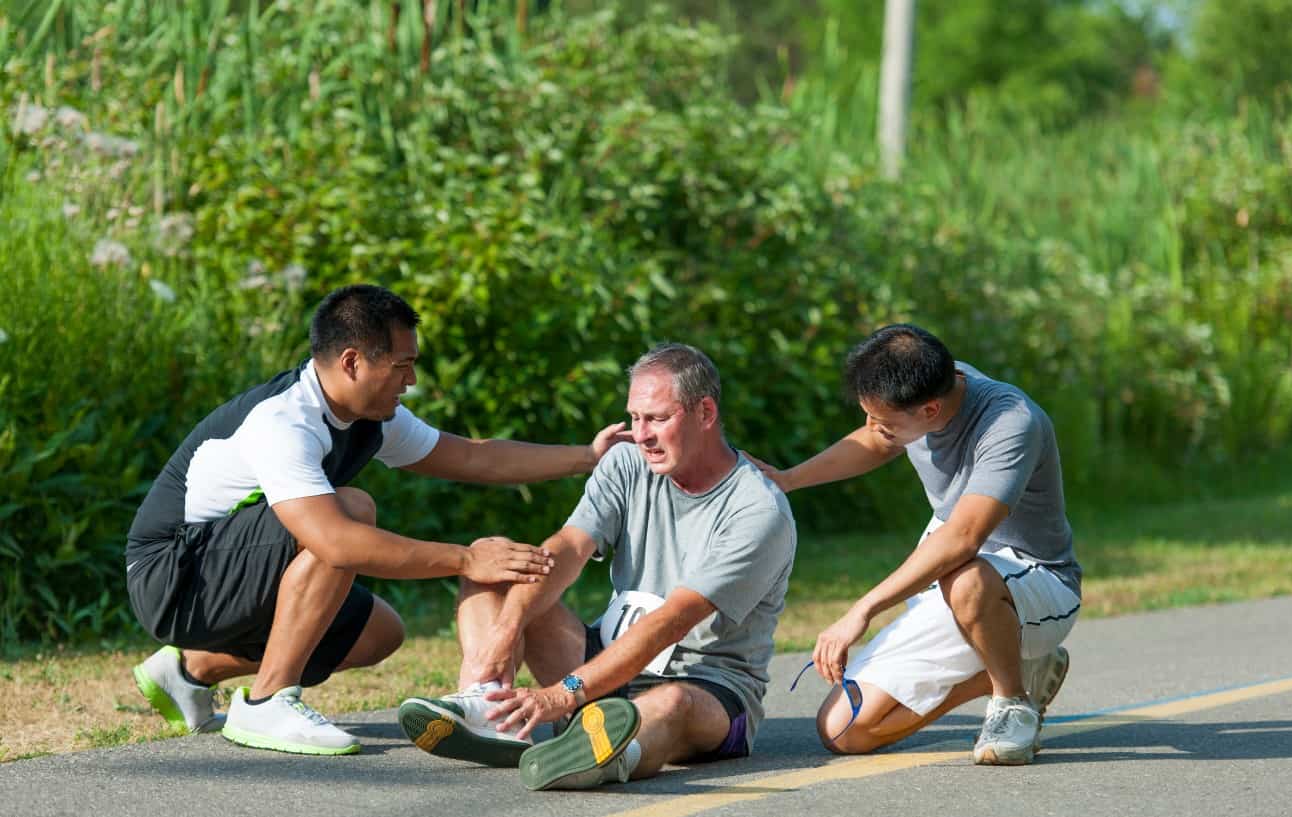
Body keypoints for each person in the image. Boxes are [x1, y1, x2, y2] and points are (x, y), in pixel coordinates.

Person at [126, 284, 631, 756]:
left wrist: (587, 455)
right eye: (402, 365)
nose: (410, 381)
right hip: (173, 576)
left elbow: (477, 458)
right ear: (352, 362)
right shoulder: (284, 421)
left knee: (378, 633)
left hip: (219, 573)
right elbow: (338, 543)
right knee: (350, 512)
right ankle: (266, 703)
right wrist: (467, 559)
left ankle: (190, 670)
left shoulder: (370, 418)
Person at [397, 343, 796, 790]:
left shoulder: (758, 510)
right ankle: (491, 709)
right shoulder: (628, 461)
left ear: (705, 413)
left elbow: (670, 622)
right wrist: (509, 627)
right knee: (495, 566)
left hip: (708, 689)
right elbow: (568, 548)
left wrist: (562, 693)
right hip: (605, 662)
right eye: (635, 417)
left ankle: (609, 755)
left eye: (658, 419)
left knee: (672, 703)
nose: (641, 434)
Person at [753, 324, 1080, 765]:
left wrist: (861, 610)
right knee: (844, 730)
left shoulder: (1010, 423)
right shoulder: (932, 388)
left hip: (1036, 585)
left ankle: (1011, 701)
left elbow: (963, 539)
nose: (873, 428)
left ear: (929, 412)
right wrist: (787, 480)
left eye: (884, 421)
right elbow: (875, 441)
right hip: (949, 579)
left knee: (965, 578)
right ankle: (1006, 671)